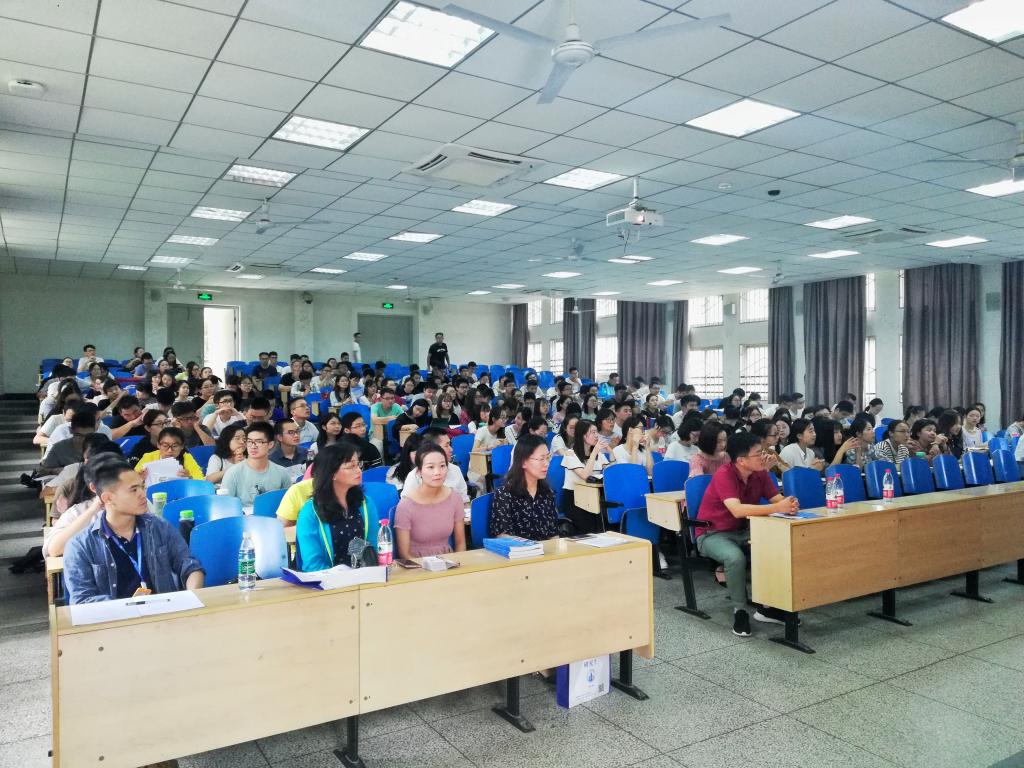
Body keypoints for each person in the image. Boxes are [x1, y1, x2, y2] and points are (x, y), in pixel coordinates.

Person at [695, 431, 799, 637]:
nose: (764, 457)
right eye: (758, 454)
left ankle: (768, 607)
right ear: (741, 460)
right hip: (712, 533)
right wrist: (779, 507)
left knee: (778, 548)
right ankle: (740, 611)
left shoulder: (760, 473)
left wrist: (790, 503)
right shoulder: (724, 475)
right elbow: (737, 510)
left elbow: (777, 499)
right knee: (735, 558)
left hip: (744, 530)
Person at [62, 460, 205, 603]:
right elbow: (82, 600)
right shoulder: (80, 546)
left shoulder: (159, 526)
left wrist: (191, 596)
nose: (143, 494)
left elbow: (190, 566)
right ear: (108, 498)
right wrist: (127, 606)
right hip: (114, 616)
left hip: (163, 612)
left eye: (142, 487)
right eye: (134, 490)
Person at [295, 443, 381, 571]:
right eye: (351, 466)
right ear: (332, 474)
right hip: (327, 580)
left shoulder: (365, 503)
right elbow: (312, 565)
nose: (359, 470)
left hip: (365, 577)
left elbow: (374, 550)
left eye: (358, 464)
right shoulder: (310, 512)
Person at [394, 443, 466, 559]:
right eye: (430, 467)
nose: (437, 472)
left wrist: (457, 562)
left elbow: (461, 543)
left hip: (449, 563)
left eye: (442, 466)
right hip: (417, 565)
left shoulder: (454, 498)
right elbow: (404, 554)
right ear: (419, 472)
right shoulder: (406, 506)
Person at [488, 434, 558, 541]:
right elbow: (502, 536)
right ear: (523, 462)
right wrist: (533, 547)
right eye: (541, 459)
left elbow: (553, 534)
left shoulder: (547, 492)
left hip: (545, 550)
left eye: (548, 458)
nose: (546, 463)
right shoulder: (504, 494)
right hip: (517, 550)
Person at [221, 422, 294, 506]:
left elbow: (289, 504)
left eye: (259, 442)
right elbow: (225, 506)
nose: (253, 446)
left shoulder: (282, 473)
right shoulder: (233, 473)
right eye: (249, 441)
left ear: (270, 444)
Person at [560, 419, 612, 533]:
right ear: (583, 435)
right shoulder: (570, 454)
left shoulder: (598, 454)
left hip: (594, 496)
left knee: (607, 523)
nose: (597, 435)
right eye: (593, 432)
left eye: (597, 432)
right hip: (575, 498)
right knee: (591, 528)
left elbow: (611, 472)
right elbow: (585, 475)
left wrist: (610, 451)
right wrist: (594, 453)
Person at [400, 427, 469, 502]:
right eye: (446, 445)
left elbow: (464, 501)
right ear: (432, 448)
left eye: (450, 445)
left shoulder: (455, 469)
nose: (451, 449)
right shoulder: (415, 476)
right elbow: (406, 505)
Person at [135, 426, 204, 481]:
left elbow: (200, 480)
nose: (170, 450)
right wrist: (140, 478)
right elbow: (133, 478)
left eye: (175, 446)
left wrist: (189, 477)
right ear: (158, 445)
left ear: (182, 446)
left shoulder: (186, 458)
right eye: (165, 446)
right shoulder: (149, 457)